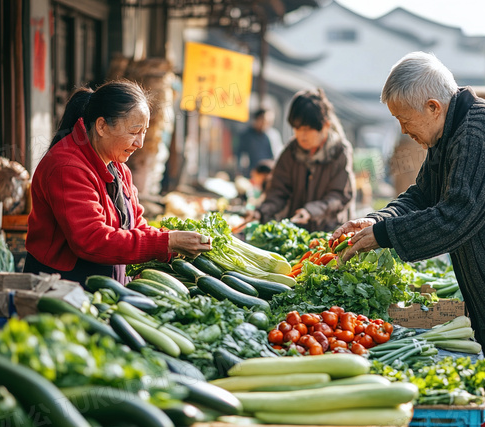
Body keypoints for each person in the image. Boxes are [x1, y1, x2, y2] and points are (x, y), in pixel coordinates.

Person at [331, 52, 485, 427]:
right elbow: (421, 195)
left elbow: (456, 217)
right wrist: (376, 220)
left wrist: (384, 237)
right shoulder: (449, 132)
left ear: (433, 107)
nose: (403, 131)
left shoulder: (480, 131)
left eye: (403, 120)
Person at [24, 80, 211, 286]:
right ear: (102, 126)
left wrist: (173, 244)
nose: (139, 143)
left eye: (144, 132)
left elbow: (136, 226)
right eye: (133, 132)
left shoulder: (117, 165)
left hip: (102, 288)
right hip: (62, 290)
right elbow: (91, 240)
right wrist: (167, 242)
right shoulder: (66, 167)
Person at [244, 89, 355, 232]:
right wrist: (261, 211)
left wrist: (311, 211)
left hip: (331, 231)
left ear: (326, 126)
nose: (301, 135)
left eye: (307, 129)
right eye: (296, 128)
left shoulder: (340, 151)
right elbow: (278, 191)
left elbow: (340, 196)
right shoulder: (290, 151)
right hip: (297, 231)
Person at [237, 108, 275, 177]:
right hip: (248, 174)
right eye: (263, 121)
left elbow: (270, 157)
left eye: (266, 122)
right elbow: (240, 155)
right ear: (257, 120)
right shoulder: (246, 135)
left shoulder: (266, 137)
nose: (264, 124)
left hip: (262, 175)